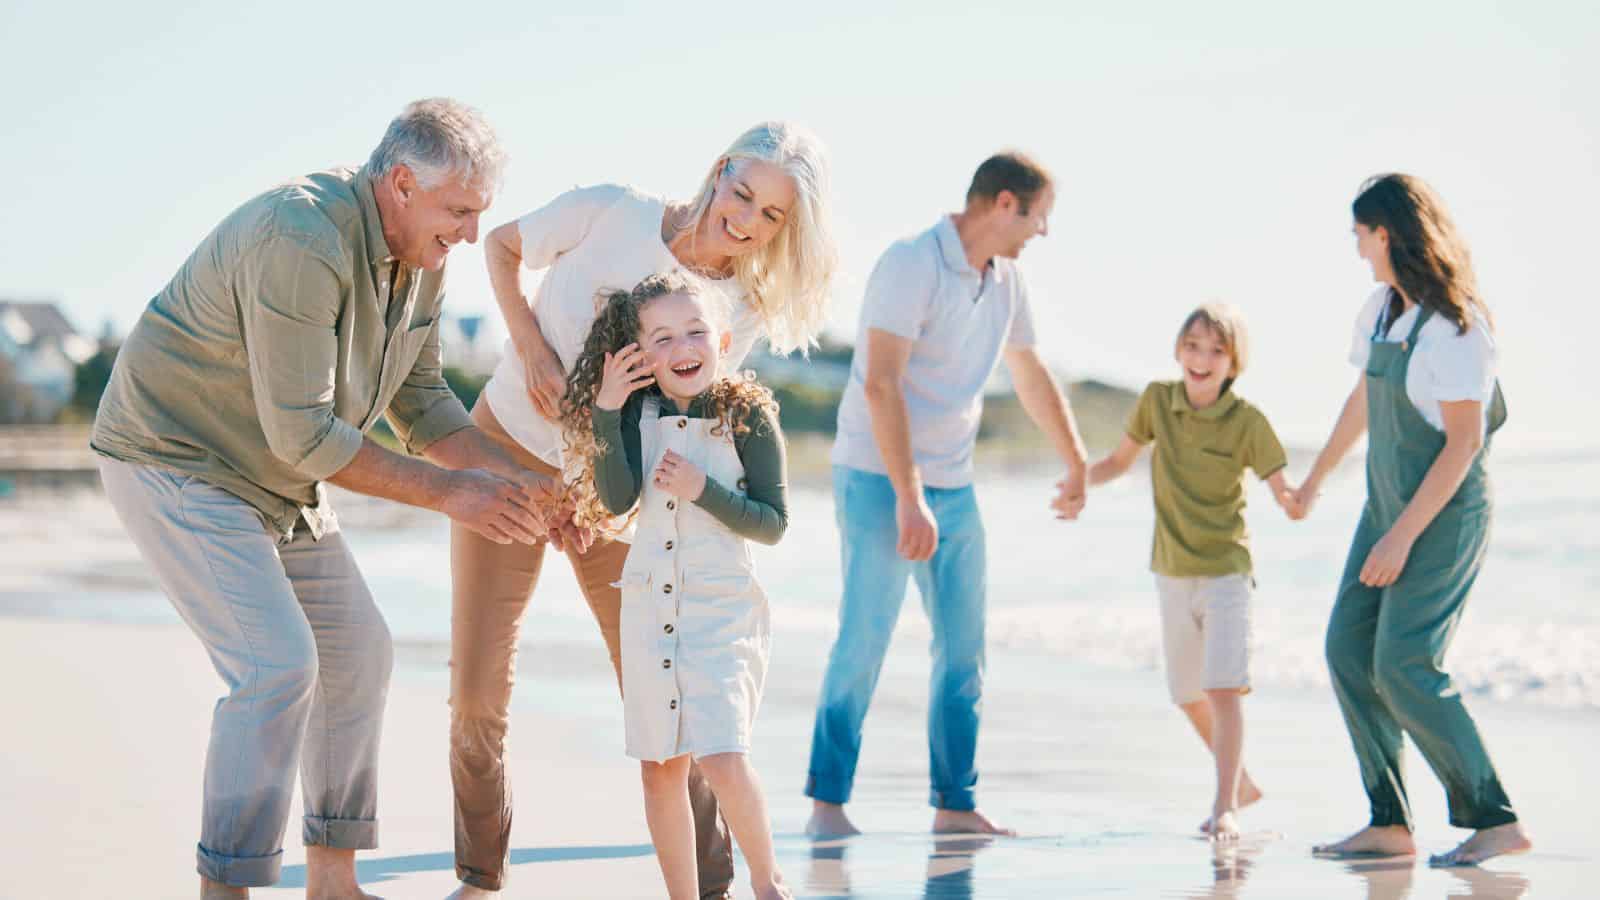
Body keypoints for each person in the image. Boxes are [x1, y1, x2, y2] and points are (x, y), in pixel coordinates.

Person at [90, 99, 574, 899]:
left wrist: (533, 490)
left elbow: (421, 403)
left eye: (477, 213)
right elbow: (308, 437)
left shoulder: (425, 256)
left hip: (277, 479)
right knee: (277, 668)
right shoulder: (301, 236)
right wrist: (455, 494)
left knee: (358, 658)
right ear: (400, 184)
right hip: (177, 457)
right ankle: (229, 886)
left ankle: (333, 886)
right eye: (458, 210)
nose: (468, 232)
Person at [449, 121, 837, 898]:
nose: (746, 221)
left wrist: (601, 498)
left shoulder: (739, 309)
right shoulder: (614, 211)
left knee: (667, 694)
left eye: (771, 217)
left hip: (619, 497)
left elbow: (682, 415)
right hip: (505, 453)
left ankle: (717, 882)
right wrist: (528, 345)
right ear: (722, 170)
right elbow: (500, 247)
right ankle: (481, 875)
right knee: (479, 685)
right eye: (745, 194)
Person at [805, 151, 1088, 838]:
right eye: (1039, 217)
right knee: (865, 636)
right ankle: (827, 804)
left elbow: (1028, 371)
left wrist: (1075, 459)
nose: (1041, 233)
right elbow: (880, 382)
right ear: (1003, 205)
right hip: (879, 477)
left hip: (954, 484)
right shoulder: (911, 263)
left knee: (964, 649)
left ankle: (955, 805)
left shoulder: (1007, 283)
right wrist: (909, 496)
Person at [1297, 173, 1532, 866]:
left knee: (1403, 664)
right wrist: (1314, 479)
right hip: (1386, 509)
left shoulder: (1459, 327)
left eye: (1361, 236)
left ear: (1388, 233)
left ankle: (1496, 817)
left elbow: (1462, 445)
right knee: (1347, 651)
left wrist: (1402, 537)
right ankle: (1389, 822)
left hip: (1445, 515)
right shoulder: (1378, 310)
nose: (1358, 250)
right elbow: (1364, 401)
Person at [562, 272, 791, 900]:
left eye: (695, 330)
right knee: (661, 769)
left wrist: (703, 490)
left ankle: (770, 887)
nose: (682, 345)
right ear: (639, 356)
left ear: (719, 338)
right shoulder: (637, 415)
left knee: (720, 752)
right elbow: (614, 501)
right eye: (661, 337)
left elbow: (773, 524)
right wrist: (607, 409)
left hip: (722, 609)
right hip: (648, 606)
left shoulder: (748, 416)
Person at [1083, 303, 1303, 841]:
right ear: (1179, 350)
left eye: (1216, 350)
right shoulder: (1158, 401)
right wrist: (1076, 483)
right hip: (1172, 569)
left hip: (1227, 569)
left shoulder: (1248, 420)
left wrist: (1298, 499)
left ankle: (1224, 804)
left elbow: (1283, 490)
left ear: (1234, 363)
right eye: (1193, 345)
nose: (1202, 359)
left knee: (1224, 687)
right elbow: (1117, 462)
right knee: (1187, 691)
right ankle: (1241, 782)